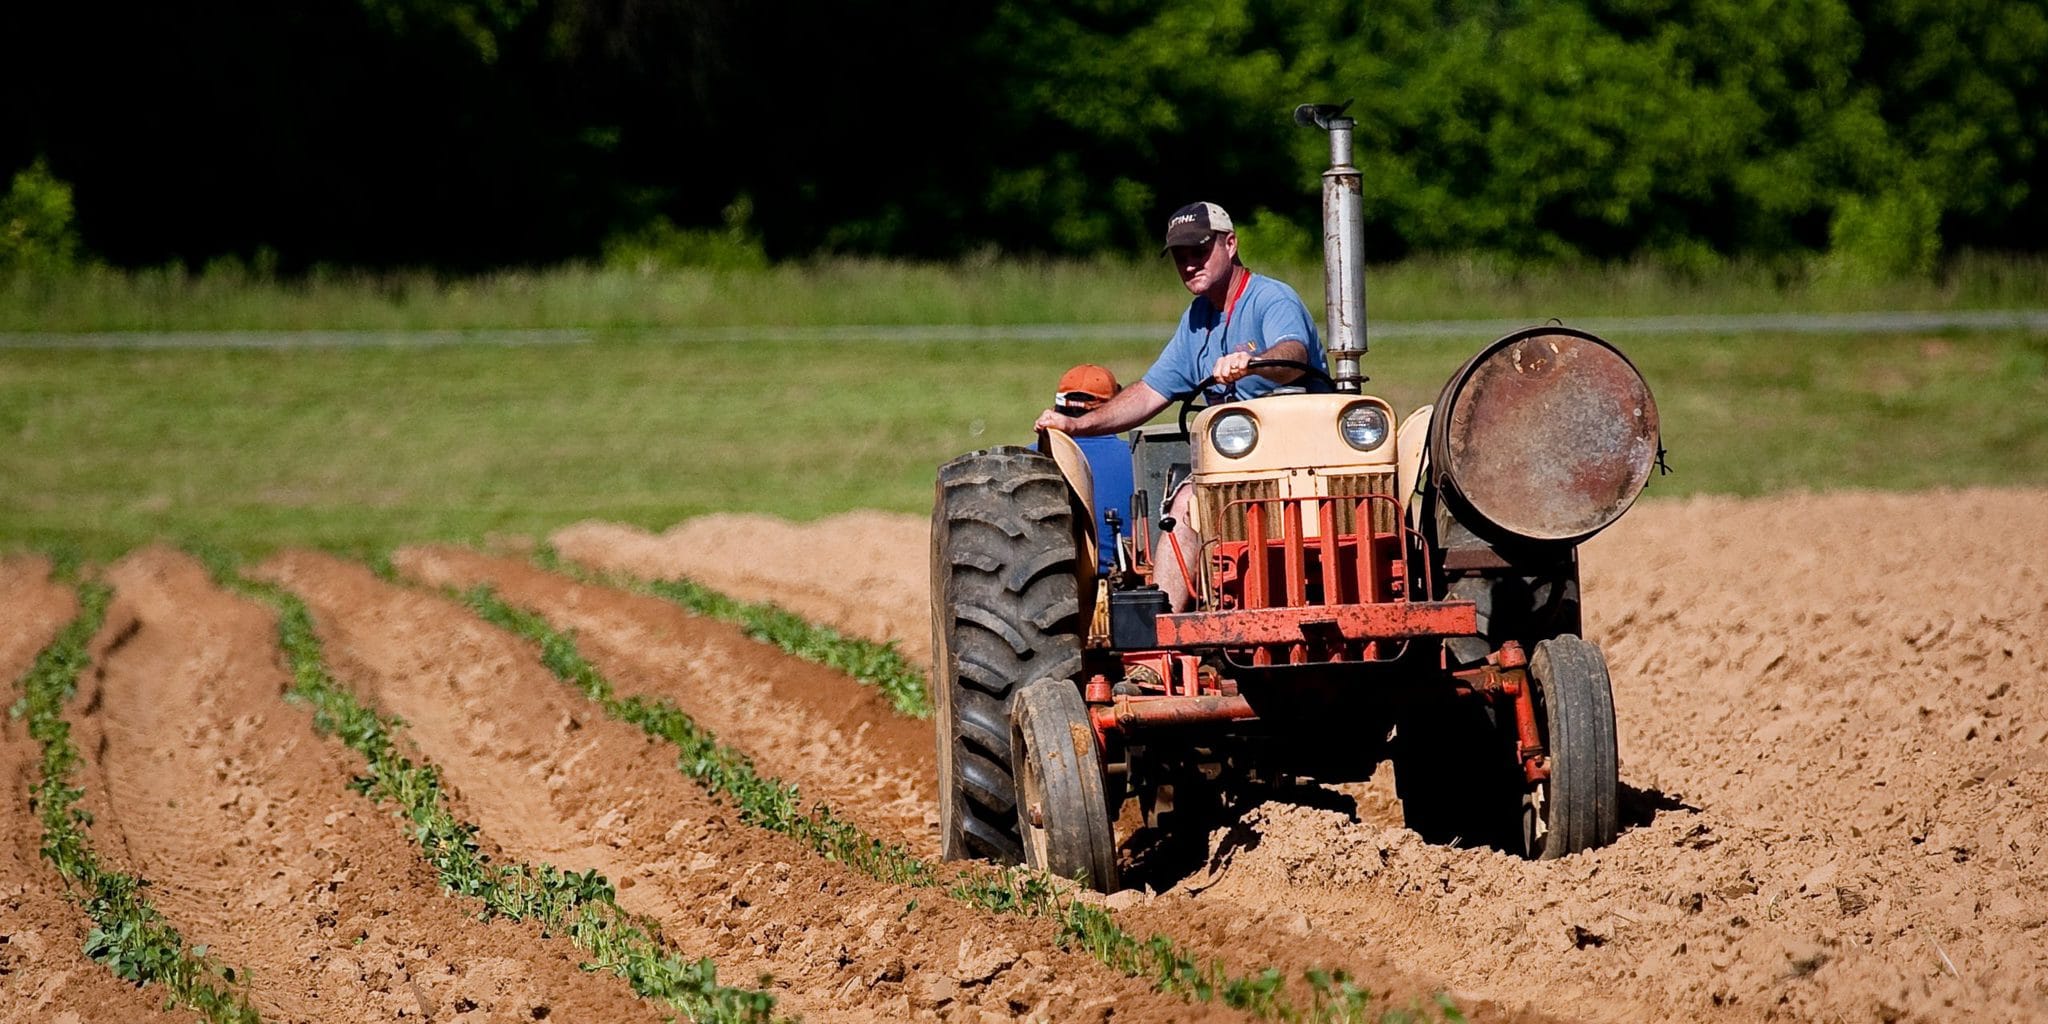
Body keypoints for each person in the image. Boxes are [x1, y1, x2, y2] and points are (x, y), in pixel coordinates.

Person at [1033, 201, 1327, 609]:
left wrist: (1254, 363)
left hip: (1304, 458)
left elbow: (1295, 355)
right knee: (1183, 505)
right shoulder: (1198, 319)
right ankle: (1163, 639)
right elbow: (1149, 393)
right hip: (1234, 467)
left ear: (1231, 243)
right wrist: (1076, 426)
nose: (1189, 264)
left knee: (1191, 499)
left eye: (1199, 251)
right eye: (1180, 257)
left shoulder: (1270, 299)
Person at [1038, 363, 1136, 574]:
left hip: (1053, 585)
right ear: (1116, 410)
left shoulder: (1032, 459)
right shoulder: (1139, 458)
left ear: (1057, 408)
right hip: (1129, 585)